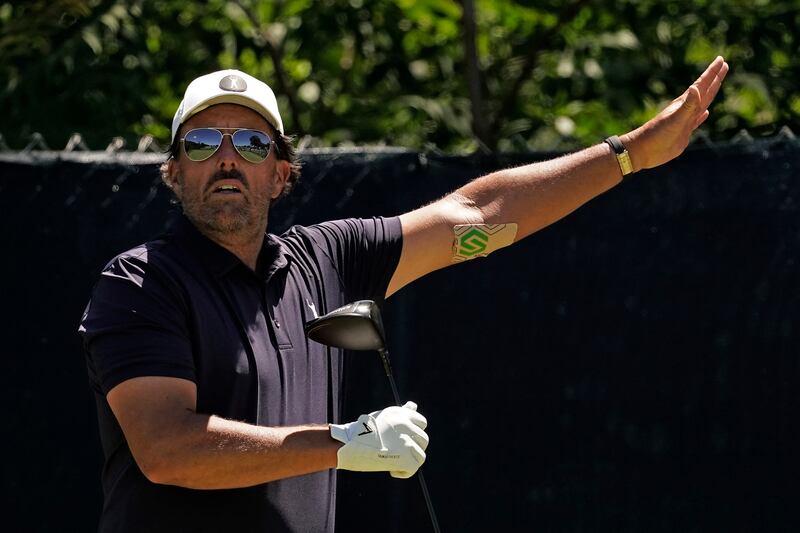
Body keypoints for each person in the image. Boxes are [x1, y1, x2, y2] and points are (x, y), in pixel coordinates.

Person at [79, 57, 729, 532]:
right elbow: (167, 451)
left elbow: (480, 212)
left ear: (280, 172)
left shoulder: (324, 261)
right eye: (201, 141)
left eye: (250, 142)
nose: (227, 157)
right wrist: (343, 441)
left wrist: (628, 156)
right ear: (174, 170)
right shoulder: (141, 281)